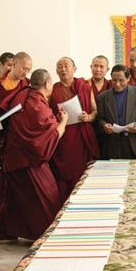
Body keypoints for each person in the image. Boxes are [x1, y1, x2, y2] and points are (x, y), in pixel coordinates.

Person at [0, 69, 68, 242]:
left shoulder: (23, 93)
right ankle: (46, 235)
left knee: (14, 198)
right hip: (28, 161)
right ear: (47, 84)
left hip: (13, 157)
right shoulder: (37, 105)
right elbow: (51, 136)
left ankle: (2, 232)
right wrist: (63, 122)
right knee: (48, 196)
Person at [0, 52, 32, 220]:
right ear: (14, 64)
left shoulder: (27, 84)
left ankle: (13, 211)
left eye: (29, 69)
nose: (26, 72)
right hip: (0, 133)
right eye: (24, 68)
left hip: (18, 135)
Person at [49, 57, 100, 198]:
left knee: (85, 174)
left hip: (83, 137)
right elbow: (48, 115)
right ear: (56, 71)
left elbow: (95, 111)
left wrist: (89, 117)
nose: (63, 69)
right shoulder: (53, 90)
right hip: (64, 139)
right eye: (59, 66)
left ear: (74, 69)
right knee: (66, 176)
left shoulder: (84, 86)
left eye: (66, 65)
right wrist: (57, 119)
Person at [96, 64, 136, 158]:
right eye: (114, 80)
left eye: (121, 80)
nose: (117, 84)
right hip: (112, 144)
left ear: (128, 78)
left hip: (134, 143)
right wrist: (104, 125)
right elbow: (99, 119)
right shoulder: (102, 97)